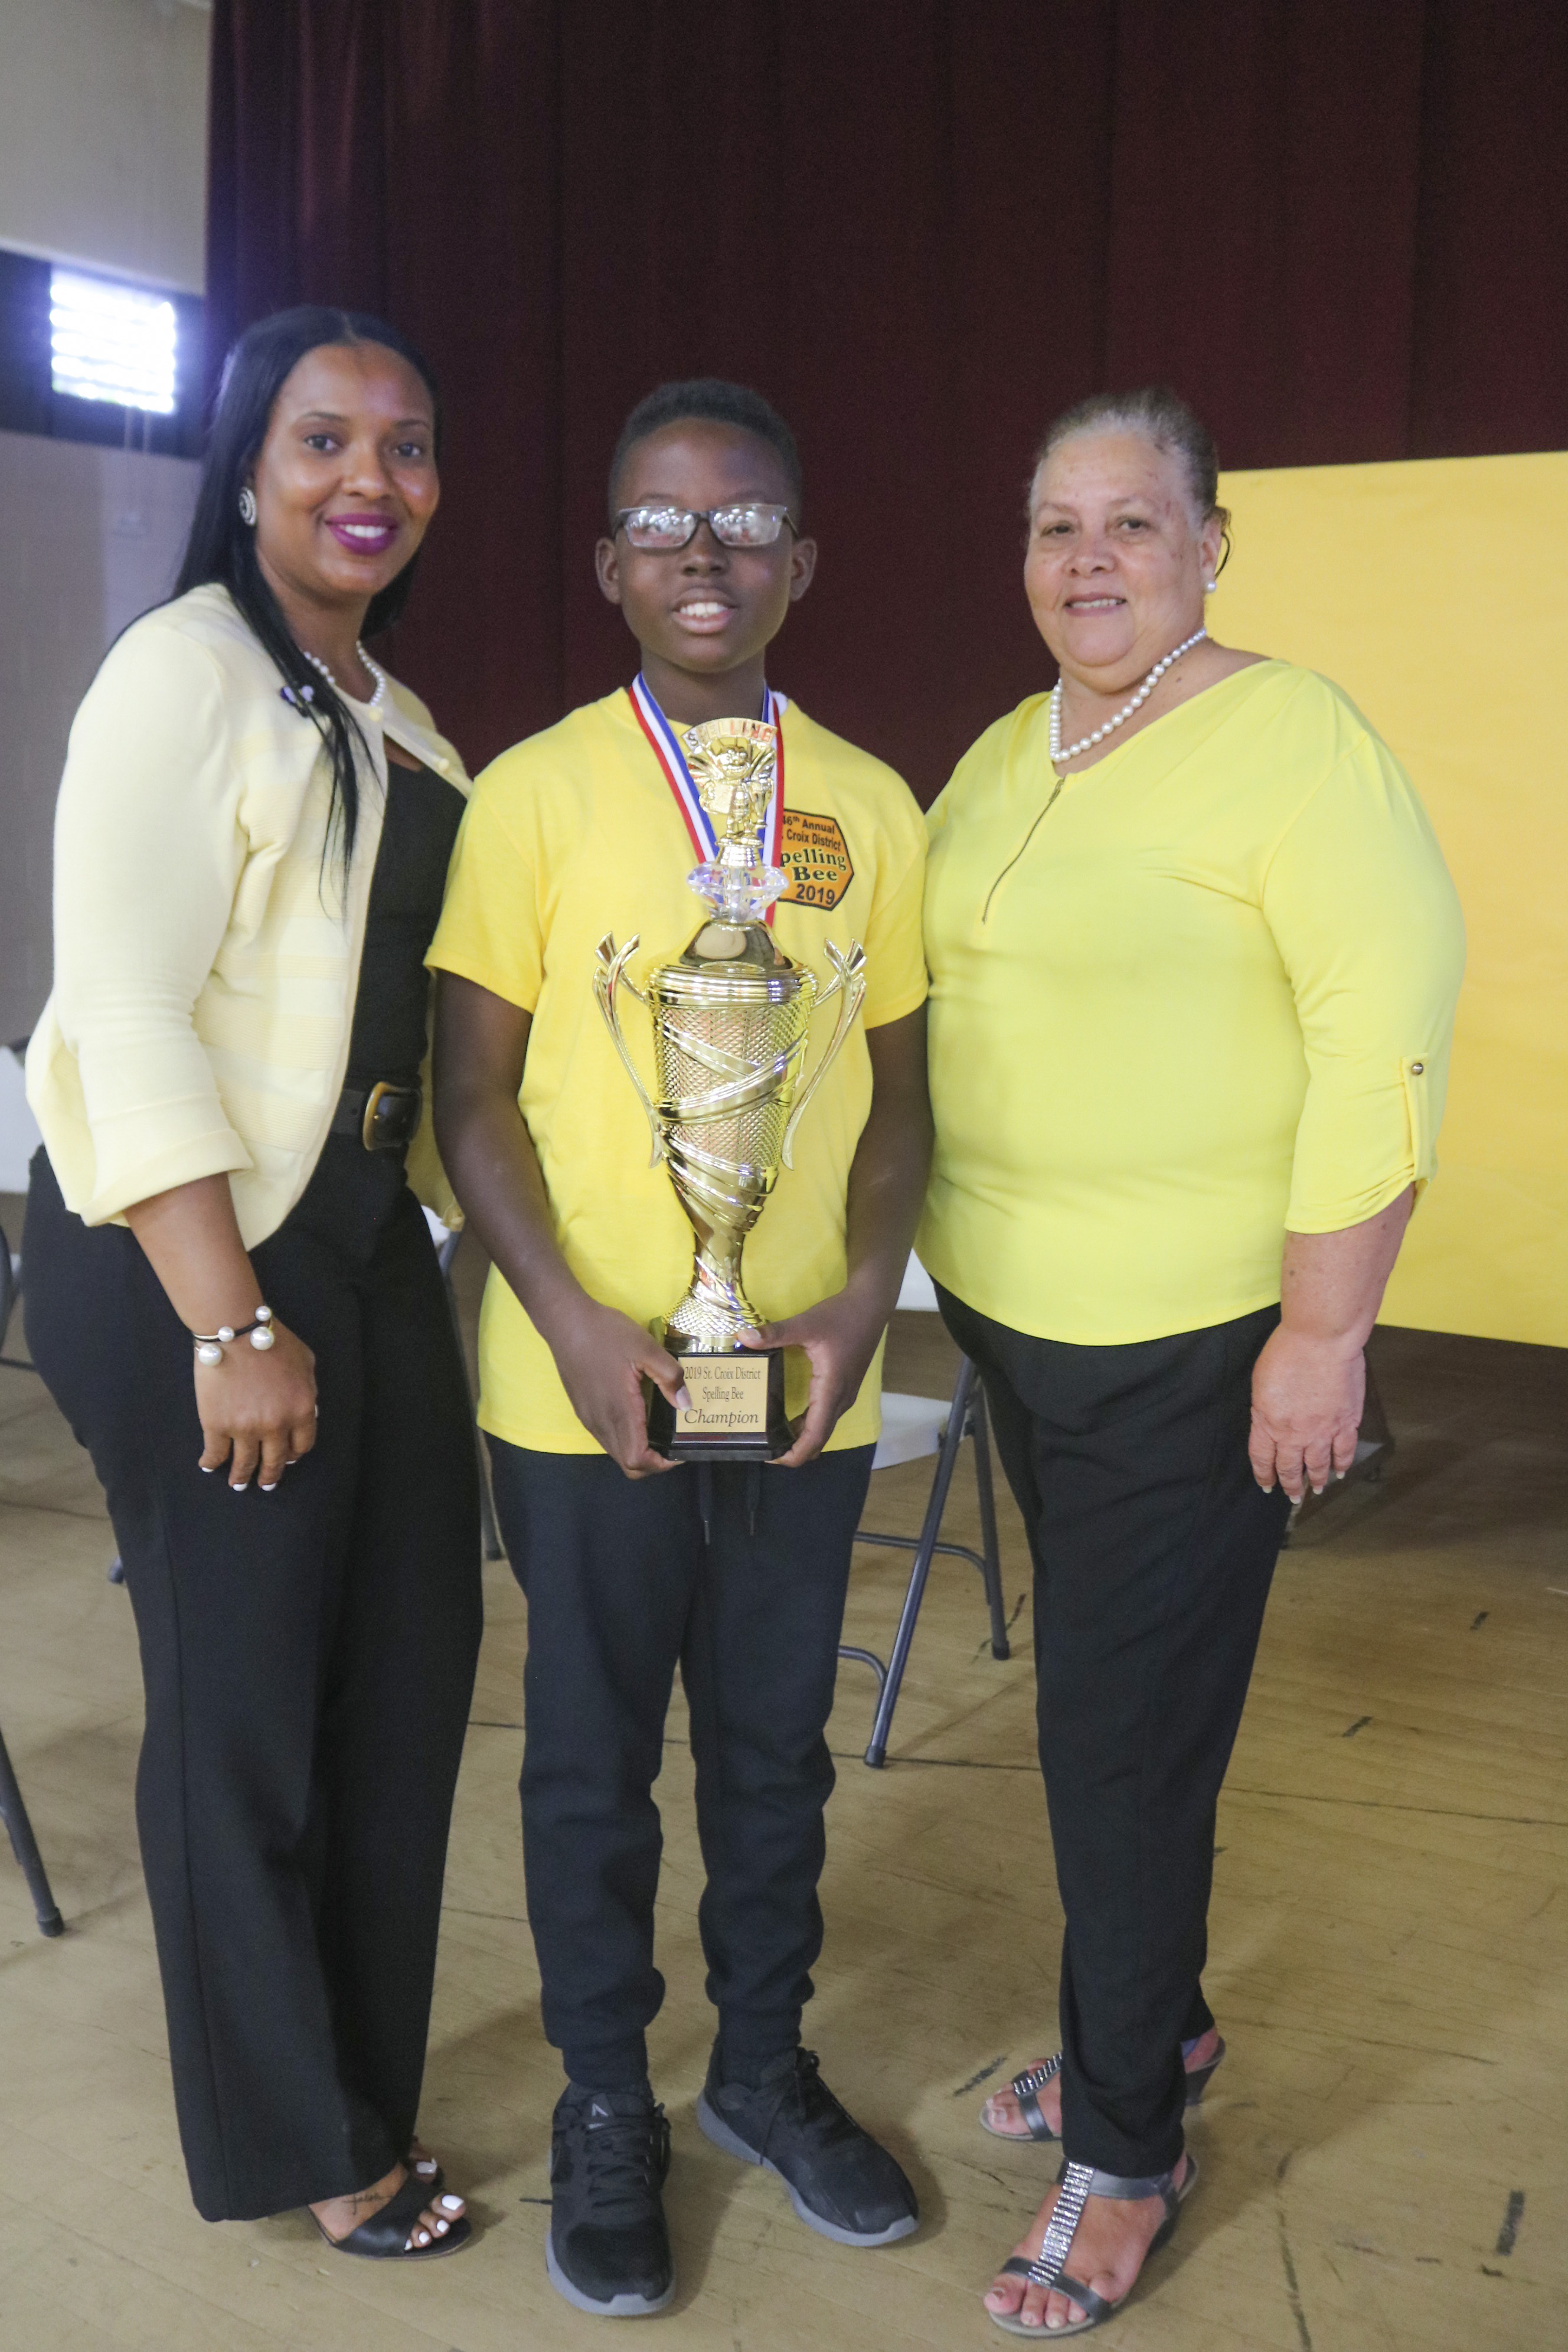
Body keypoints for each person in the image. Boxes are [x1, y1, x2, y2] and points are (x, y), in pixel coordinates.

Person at [919, 387, 1465, 2337]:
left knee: (1116, 1746)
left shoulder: (1293, 738)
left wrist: (1328, 1334)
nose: (1089, 559)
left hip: (1192, 1343)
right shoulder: (1006, 752)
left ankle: (1124, 2147)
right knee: (1127, 1721)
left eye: (1134, 524)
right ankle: (1153, 2026)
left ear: (1213, 543)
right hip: (1018, 1320)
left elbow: (1380, 1031)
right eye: (1057, 524)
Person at [430, 378, 930, 2316]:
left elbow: (898, 1106)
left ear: (800, 559)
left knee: (777, 1756)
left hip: (796, 1379)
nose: (701, 554)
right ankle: (601, 2101)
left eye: (740, 524)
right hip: (582, 1388)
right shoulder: (536, 791)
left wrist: (857, 1300)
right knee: (585, 1762)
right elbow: (473, 1097)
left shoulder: (866, 807)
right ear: (609, 564)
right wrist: (565, 1321)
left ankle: (761, 2070)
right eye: (661, 522)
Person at [23, 308, 483, 2259]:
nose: (367, 479)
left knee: (408, 1679)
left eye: (406, 445)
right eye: (323, 441)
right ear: (248, 467)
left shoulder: (396, 709)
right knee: (246, 1713)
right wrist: (228, 1318)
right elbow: (123, 1008)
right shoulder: (183, 671)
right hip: (184, 1251)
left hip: (365, 1245)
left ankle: (364, 2072)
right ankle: (306, 2141)